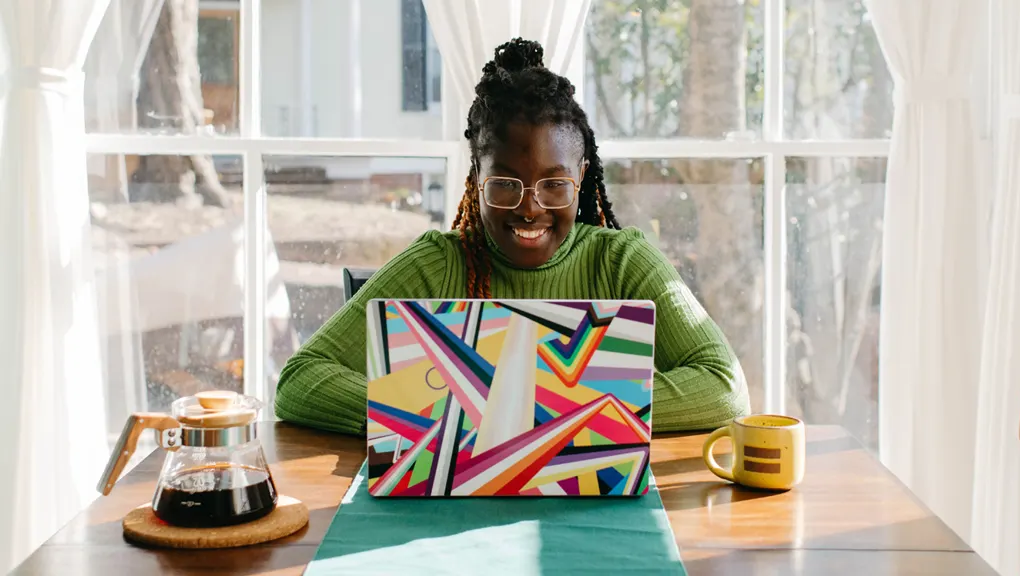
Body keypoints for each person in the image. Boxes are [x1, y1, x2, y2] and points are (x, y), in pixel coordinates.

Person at [274, 38, 750, 435]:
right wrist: (435, 416)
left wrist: (536, 416)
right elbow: (299, 380)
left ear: (581, 178)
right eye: (504, 183)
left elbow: (724, 387)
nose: (530, 206)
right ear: (475, 178)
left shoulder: (620, 261)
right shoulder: (437, 265)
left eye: (554, 184)